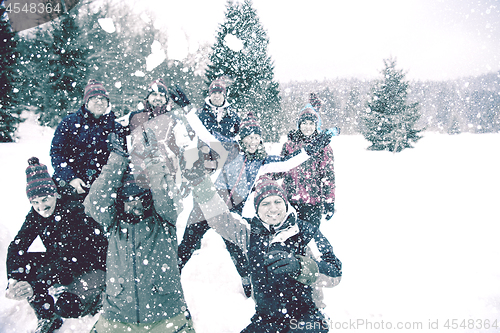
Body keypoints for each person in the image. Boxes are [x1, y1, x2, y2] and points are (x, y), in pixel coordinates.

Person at [180, 112, 333, 298]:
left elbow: (288, 162)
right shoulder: (229, 151)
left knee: (236, 249)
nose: (253, 141)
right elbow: (205, 134)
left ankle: (246, 278)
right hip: (210, 205)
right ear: (242, 139)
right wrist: (188, 110)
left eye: (256, 137)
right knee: (188, 242)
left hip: (233, 211)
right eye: (248, 137)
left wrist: (312, 149)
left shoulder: (263, 162)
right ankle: (174, 273)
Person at [188, 172, 342, 333]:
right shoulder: (250, 234)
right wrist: (201, 184)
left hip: (307, 317)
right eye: (265, 203)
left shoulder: (305, 232)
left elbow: (335, 273)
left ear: (286, 204)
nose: (273, 208)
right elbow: (220, 220)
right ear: (257, 208)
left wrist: (301, 267)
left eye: (277, 201)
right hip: (267, 318)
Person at [84, 130, 195, 333]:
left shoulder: (164, 220)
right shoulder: (114, 225)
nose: (133, 204)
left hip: (166, 315)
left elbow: (166, 194)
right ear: (119, 201)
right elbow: (95, 203)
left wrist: (153, 155)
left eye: (140, 198)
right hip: (118, 316)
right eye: (127, 199)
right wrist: (117, 159)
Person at [6, 157, 107, 333]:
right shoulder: (37, 214)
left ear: (56, 194)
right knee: (25, 268)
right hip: (62, 261)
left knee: (68, 307)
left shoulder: (73, 211)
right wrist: (14, 280)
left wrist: (34, 286)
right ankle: (47, 317)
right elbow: (17, 246)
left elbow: (70, 261)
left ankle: (97, 299)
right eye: (35, 202)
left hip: (90, 266)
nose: (40, 207)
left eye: (45, 199)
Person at [50, 80, 127, 201]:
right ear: (86, 102)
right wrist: (70, 178)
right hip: (71, 184)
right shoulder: (69, 122)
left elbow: (120, 158)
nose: (99, 101)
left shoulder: (115, 127)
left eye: (103, 98)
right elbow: (56, 153)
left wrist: (105, 183)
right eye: (94, 98)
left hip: (104, 188)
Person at [128, 78, 194, 190]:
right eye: (154, 94)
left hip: (167, 174)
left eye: (162, 95)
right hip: (139, 174)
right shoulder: (135, 117)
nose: (158, 98)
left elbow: (187, 144)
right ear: (147, 97)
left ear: (166, 99)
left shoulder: (174, 119)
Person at [281, 105, 337, 227]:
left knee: (308, 238)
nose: (307, 127)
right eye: (304, 123)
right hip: (289, 201)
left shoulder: (323, 147)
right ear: (299, 125)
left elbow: (328, 176)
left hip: (313, 202)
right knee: (289, 239)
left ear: (316, 126)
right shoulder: (289, 145)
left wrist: (329, 201)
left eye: (311, 123)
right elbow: (279, 170)